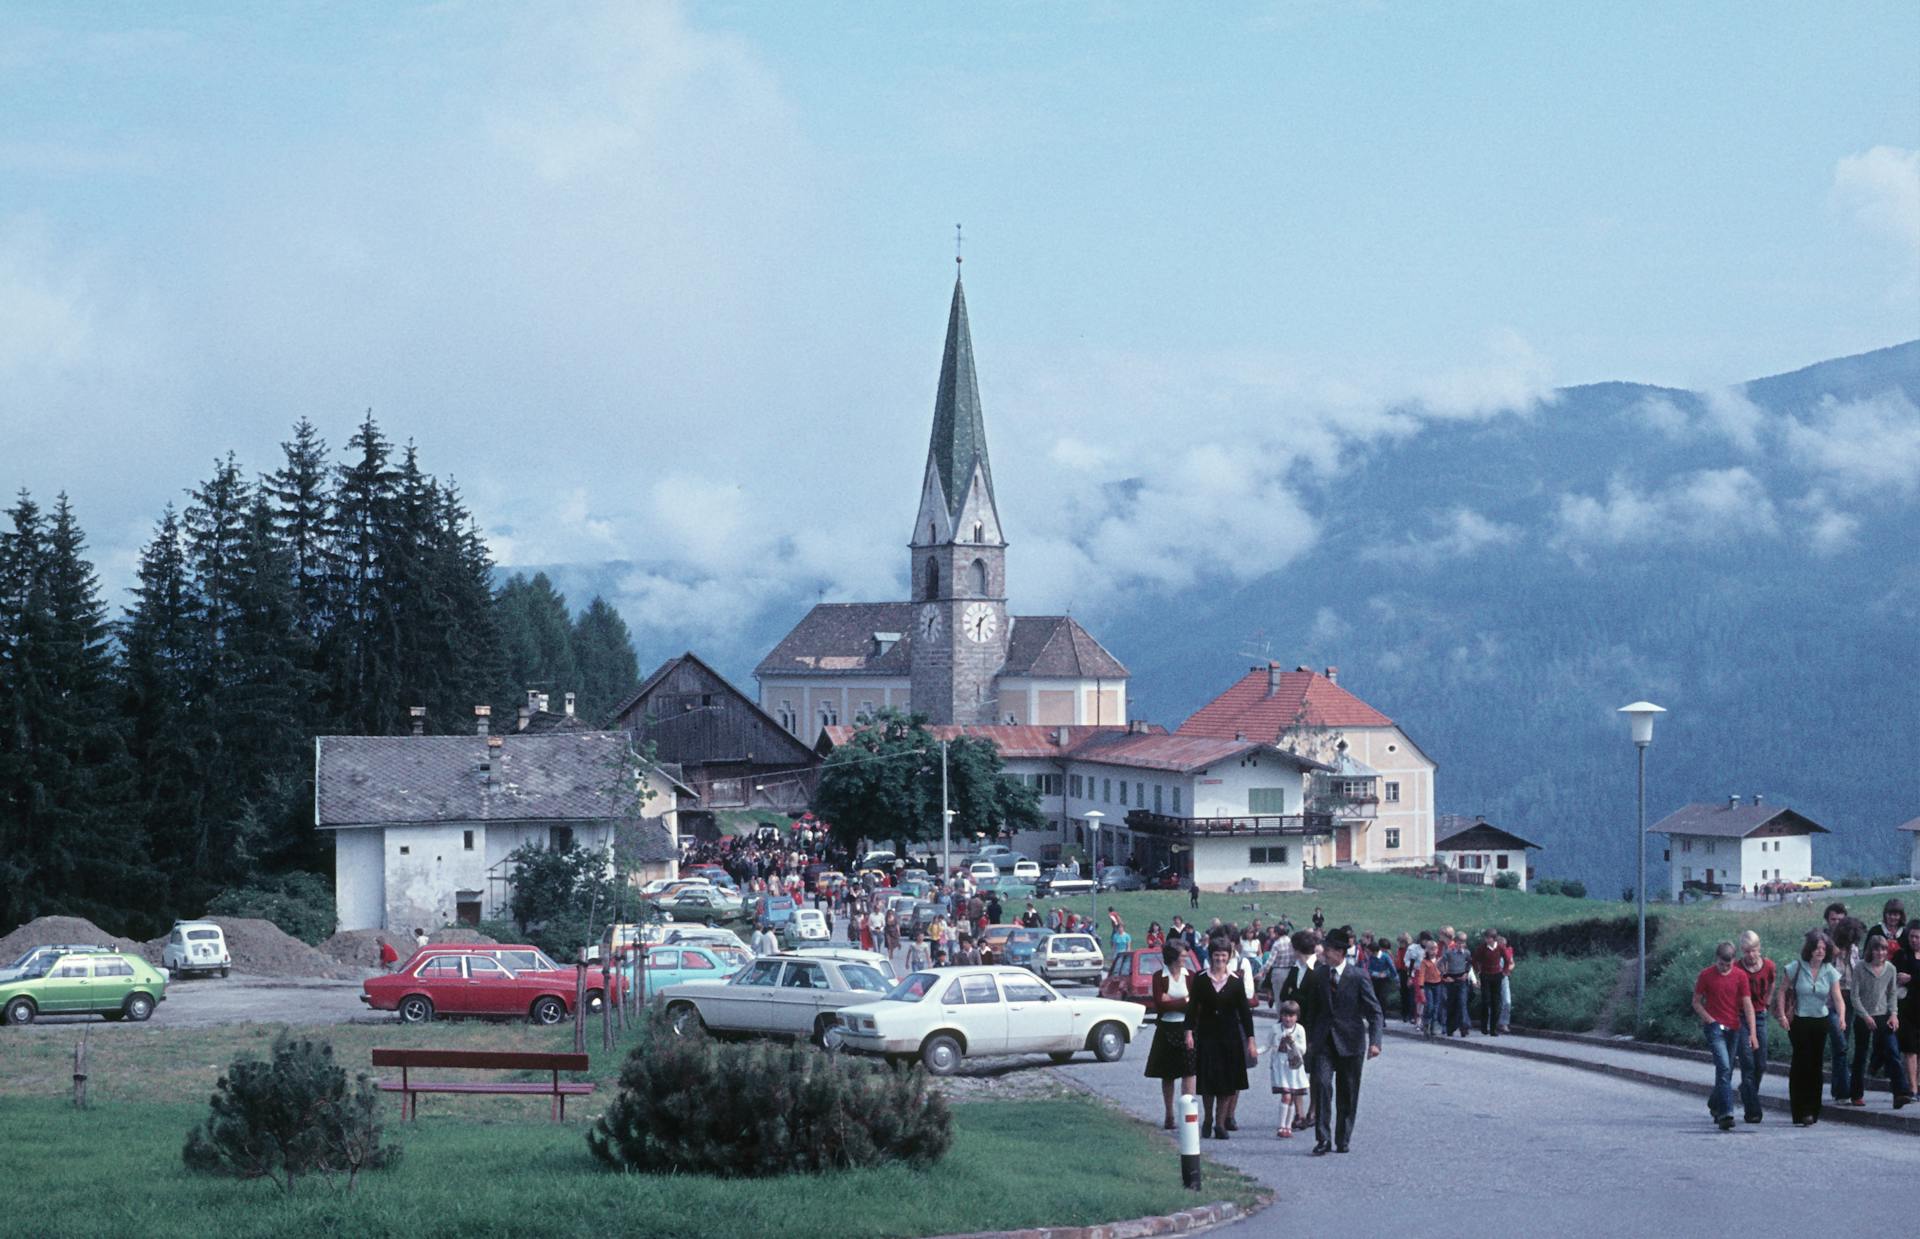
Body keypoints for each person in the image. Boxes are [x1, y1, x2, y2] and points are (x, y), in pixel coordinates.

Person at [1298, 927, 1384, 1154]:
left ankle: (1343, 1138)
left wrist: (1376, 1042)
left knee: (1348, 1091)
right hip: (1323, 1042)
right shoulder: (1318, 974)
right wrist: (1307, 1039)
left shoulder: (1358, 976)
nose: (1324, 952)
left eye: (1327, 949)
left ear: (1339, 952)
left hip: (1351, 1042)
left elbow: (1375, 1012)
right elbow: (1310, 1011)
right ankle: (1323, 1139)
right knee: (1323, 1086)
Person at [1775, 929, 1846, 1126]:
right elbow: (1781, 992)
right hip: (1799, 1021)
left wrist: (1841, 1017)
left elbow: (1838, 998)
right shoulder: (1796, 967)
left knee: (1816, 1065)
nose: (1820, 951)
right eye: (1816, 948)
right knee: (1801, 1063)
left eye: (1823, 948)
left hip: (1820, 1021)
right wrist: (1781, 1015)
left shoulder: (1830, 971)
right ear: (1810, 949)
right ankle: (1800, 1110)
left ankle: (1813, 1110)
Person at [1188, 941, 1256, 1140]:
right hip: (1208, 1035)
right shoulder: (1201, 979)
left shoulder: (1235, 981)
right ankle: (1208, 1119)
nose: (1220, 959)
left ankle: (1220, 1122)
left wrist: (1250, 1040)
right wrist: (1188, 1032)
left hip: (1230, 1037)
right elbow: (1192, 1008)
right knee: (1208, 1080)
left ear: (1229, 957)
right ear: (1211, 956)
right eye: (1216, 955)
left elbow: (1245, 1013)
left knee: (1227, 1082)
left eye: (1224, 956)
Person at [1692, 940, 1757, 1131]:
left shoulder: (1740, 976)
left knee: (1725, 1072)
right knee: (1724, 1066)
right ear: (1717, 959)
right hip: (1714, 1027)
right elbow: (1696, 1002)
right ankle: (1726, 1113)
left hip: (1734, 1027)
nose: (1724, 968)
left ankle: (1715, 1103)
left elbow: (1747, 1005)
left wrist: (1752, 1033)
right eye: (1721, 964)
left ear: (1733, 961)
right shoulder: (1706, 975)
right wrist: (1709, 1019)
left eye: (1728, 964)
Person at [1849, 933, 1907, 1108]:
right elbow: (1854, 996)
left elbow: (1892, 994)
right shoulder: (1860, 967)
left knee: (1892, 1050)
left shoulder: (1890, 969)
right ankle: (1856, 1093)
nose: (1880, 953)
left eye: (1883, 949)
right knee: (1861, 1054)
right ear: (1871, 950)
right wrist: (1865, 1015)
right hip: (1864, 1016)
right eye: (1877, 949)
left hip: (1883, 1015)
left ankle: (1900, 1093)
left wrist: (1894, 1014)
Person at [1144, 943, 1198, 1130]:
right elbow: (1160, 1004)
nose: (1185, 959)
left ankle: (1187, 1113)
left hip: (1186, 1028)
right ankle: (1169, 1114)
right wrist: (1184, 1001)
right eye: (1183, 956)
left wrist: (1173, 1001)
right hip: (1166, 1028)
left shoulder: (1190, 976)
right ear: (1173, 957)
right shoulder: (1159, 977)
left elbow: (1195, 1005)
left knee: (1189, 1072)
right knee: (1167, 1074)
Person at [1735, 930, 1777, 1124]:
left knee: (1761, 1063)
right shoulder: (1737, 968)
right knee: (1747, 1062)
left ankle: (1748, 1090)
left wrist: (1767, 1002)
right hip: (1740, 1017)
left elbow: (1772, 983)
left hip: (1759, 1014)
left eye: (1753, 951)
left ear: (1759, 948)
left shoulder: (1768, 966)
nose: (1750, 955)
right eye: (1746, 952)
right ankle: (1752, 1108)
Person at [1268, 999, 1308, 1138]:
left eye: (1291, 1016)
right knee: (1286, 1095)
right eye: (1285, 1015)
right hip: (1280, 1065)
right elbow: (1269, 1045)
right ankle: (1281, 1126)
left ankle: (1288, 1126)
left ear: (1297, 1017)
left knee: (1291, 1096)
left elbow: (1303, 1050)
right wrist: (1256, 1051)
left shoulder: (1300, 1030)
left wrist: (1293, 1043)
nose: (1288, 1019)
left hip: (1294, 1067)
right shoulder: (1276, 1029)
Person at [1897, 923, 1920, 1106]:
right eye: (1912, 936)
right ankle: (1913, 1087)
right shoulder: (1902, 955)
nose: (1914, 940)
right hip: (1907, 1008)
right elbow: (1897, 976)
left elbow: (1909, 977)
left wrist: (1912, 978)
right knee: (1910, 1049)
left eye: (1918, 937)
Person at [1472, 930, 1508, 1036]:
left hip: (1497, 975)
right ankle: (1484, 1026)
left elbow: (1507, 960)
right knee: (1486, 1000)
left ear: (1494, 938)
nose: (1486, 940)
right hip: (1485, 975)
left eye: (1489, 938)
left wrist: (1504, 972)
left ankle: (1493, 1029)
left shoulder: (1500, 947)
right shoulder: (1482, 948)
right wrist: (1478, 971)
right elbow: (1474, 960)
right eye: (1485, 938)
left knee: (1495, 1003)